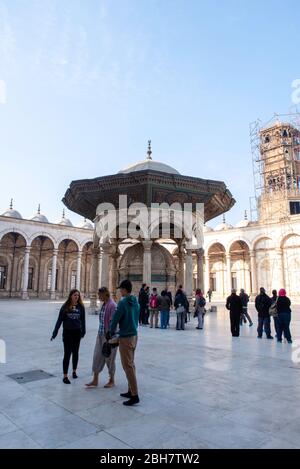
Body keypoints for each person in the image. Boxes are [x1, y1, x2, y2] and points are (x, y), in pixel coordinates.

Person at [107, 279, 140, 406]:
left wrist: (110, 330)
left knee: (127, 366)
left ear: (124, 289)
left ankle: (135, 395)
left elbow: (115, 318)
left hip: (126, 337)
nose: (120, 291)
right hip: (134, 336)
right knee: (131, 364)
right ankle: (130, 389)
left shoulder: (123, 302)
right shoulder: (136, 302)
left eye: (121, 289)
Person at [85, 287, 117, 389]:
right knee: (97, 356)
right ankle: (95, 379)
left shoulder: (112, 305)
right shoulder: (104, 305)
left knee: (109, 358)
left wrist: (111, 336)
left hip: (109, 337)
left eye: (99, 295)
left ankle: (111, 380)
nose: (98, 297)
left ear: (105, 294)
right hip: (100, 334)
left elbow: (114, 323)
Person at [51, 289, 86, 384]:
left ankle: (74, 371)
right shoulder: (65, 307)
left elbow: (83, 320)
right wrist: (55, 332)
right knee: (67, 354)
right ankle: (65, 376)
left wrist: (84, 331)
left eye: (78, 295)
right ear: (71, 296)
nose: (76, 297)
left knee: (75, 352)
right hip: (67, 333)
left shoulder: (81, 307)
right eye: (75, 295)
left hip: (77, 332)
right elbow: (59, 321)